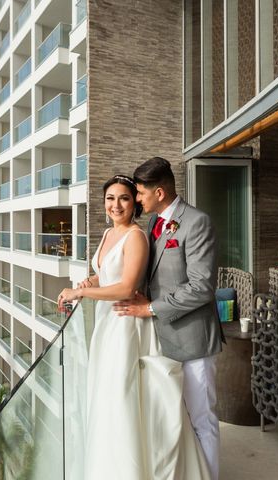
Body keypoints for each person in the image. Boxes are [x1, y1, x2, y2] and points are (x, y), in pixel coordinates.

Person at [58, 174, 211, 479]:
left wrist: (81, 292)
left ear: (135, 204)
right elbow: (109, 273)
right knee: (107, 400)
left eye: (125, 198)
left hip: (127, 325)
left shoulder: (136, 236)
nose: (116, 204)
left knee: (124, 399)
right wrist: (91, 280)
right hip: (106, 325)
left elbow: (127, 287)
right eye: (110, 198)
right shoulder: (107, 235)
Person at [116, 157, 223, 479]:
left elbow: (201, 288)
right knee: (175, 418)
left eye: (140, 195)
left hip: (193, 340)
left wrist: (149, 308)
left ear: (159, 192)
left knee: (201, 420)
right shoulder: (154, 223)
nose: (136, 200)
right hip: (162, 337)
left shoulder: (197, 222)